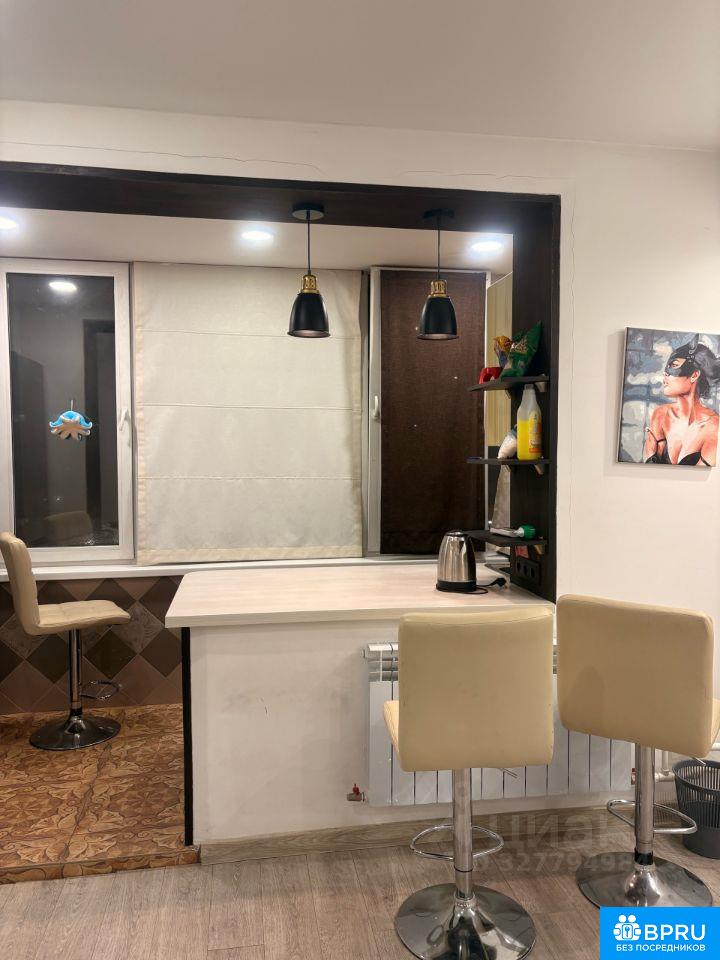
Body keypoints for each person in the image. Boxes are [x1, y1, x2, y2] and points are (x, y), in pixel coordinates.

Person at [644, 335, 720, 466]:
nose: (665, 373)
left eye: (673, 365)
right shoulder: (660, 415)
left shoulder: (713, 426)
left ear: (694, 375)